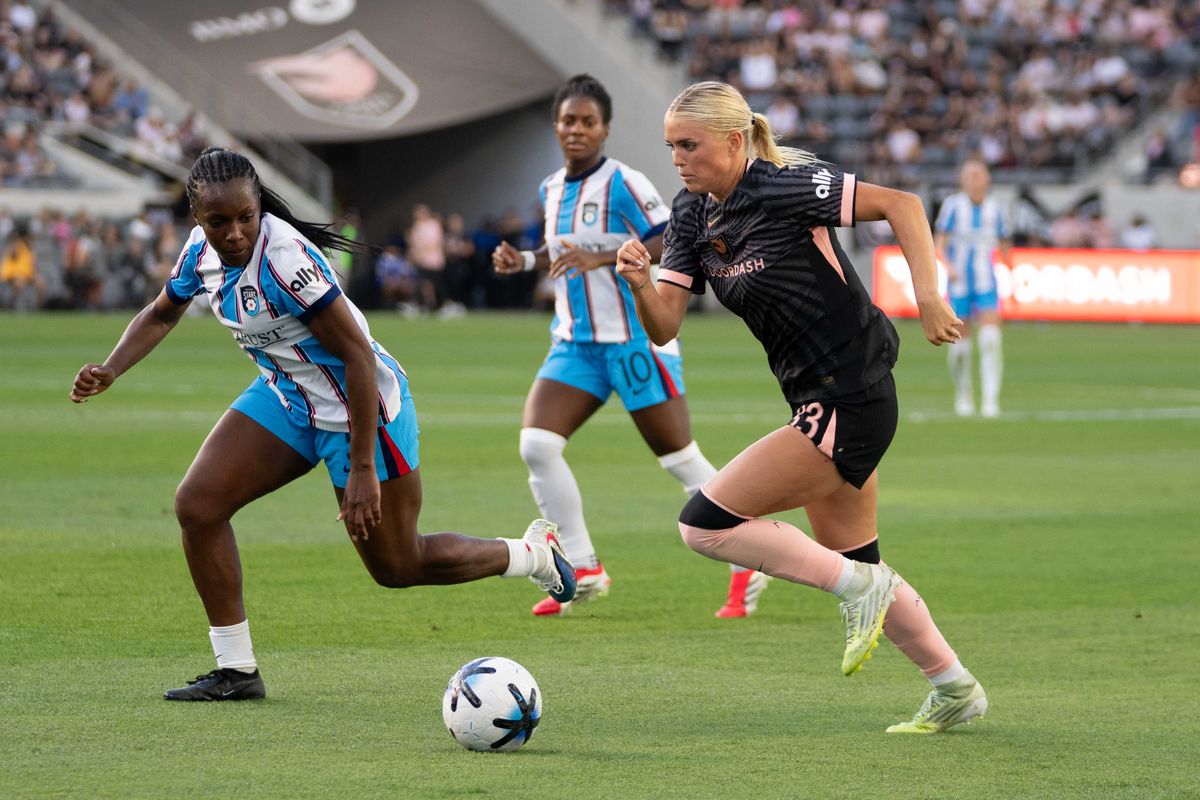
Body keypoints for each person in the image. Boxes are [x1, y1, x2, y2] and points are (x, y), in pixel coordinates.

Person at [69, 147, 576, 702]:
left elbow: (358, 357)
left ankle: (532, 554)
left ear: (259, 206)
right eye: (219, 222)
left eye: (246, 216)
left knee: (399, 565)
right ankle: (237, 670)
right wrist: (111, 368)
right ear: (198, 220)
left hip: (361, 410)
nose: (235, 232)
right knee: (198, 505)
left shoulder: (285, 259)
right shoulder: (200, 254)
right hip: (287, 397)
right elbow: (163, 310)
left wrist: (362, 468)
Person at [615, 81, 987, 733]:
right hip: (815, 400)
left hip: (852, 395)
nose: (676, 156)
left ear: (734, 142)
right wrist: (641, 283)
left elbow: (901, 204)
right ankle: (955, 688)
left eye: (689, 144)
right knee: (859, 562)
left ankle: (861, 592)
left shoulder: (781, 188)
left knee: (703, 525)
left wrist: (929, 294)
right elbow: (665, 325)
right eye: (671, 145)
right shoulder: (691, 215)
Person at [493, 74, 768, 618]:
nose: (577, 130)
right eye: (568, 120)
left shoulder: (623, 182)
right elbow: (563, 250)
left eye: (587, 122)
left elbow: (673, 234)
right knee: (537, 446)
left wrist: (605, 258)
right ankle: (583, 566)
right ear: (557, 126)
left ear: (605, 129)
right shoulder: (551, 188)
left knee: (681, 461)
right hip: (576, 344)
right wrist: (524, 261)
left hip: (635, 342)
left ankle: (750, 557)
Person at [934, 158, 1011, 418]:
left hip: (986, 283)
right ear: (962, 180)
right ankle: (963, 394)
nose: (975, 179)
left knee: (991, 341)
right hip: (959, 284)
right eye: (970, 175)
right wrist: (949, 267)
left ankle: (991, 401)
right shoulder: (953, 206)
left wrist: (1007, 262)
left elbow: (1004, 244)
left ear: (987, 178)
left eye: (979, 174)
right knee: (961, 349)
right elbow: (939, 243)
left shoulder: (997, 208)